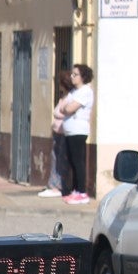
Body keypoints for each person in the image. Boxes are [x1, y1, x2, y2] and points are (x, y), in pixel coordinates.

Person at [57, 64, 94, 204]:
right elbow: (62, 107)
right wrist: (66, 107)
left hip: (78, 131)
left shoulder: (85, 91)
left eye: (75, 74)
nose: (72, 77)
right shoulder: (73, 92)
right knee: (72, 161)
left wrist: (67, 108)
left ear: (83, 76)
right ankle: (75, 190)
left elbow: (69, 108)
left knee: (78, 161)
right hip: (69, 131)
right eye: (72, 74)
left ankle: (82, 192)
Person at [38, 68, 74, 198]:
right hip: (58, 133)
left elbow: (67, 113)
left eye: (59, 83)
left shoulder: (70, 98)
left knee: (59, 160)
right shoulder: (64, 97)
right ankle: (54, 185)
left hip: (63, 134)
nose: (58, 86)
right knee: (55, 159)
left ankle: (56, 186)